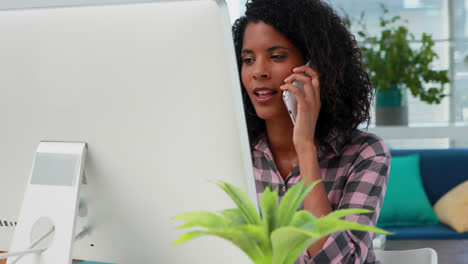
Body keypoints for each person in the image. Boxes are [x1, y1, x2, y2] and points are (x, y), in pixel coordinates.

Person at [232, 0, 391, 263]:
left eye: (277, 56)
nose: (258, 71)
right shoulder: (236, 151)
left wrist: (305, 148)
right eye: (248, 60)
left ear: (317, 67)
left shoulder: (365, 154)